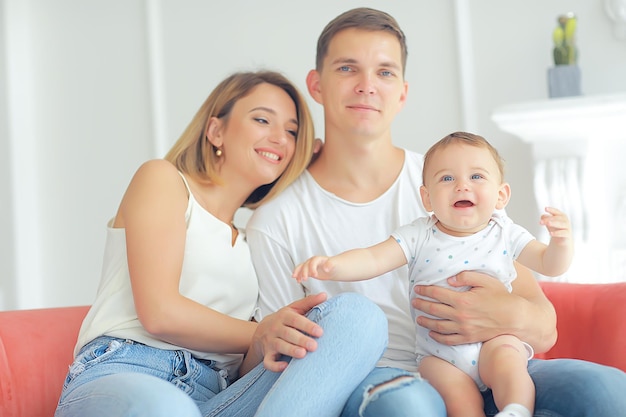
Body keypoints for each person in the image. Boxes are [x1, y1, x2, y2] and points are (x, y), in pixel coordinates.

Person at [246, 7, 626, 417]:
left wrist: (497, 315)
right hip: (385, 379)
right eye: (347, 68)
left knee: (606, 391)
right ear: (316, 85)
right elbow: (274, 365)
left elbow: (545, 328)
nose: (367, 86)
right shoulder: (277, 220)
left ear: (403, 92)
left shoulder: (457, 181)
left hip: (494, 359)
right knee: (411, 406)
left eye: (385, 72)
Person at [54, 70, 388, 417]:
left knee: (357, 317)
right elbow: (159, 313)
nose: (280, 139)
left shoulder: (252, 241)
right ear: (216, 131)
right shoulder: (163, 180)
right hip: (128, 372)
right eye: (263, 119)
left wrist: (274, 340)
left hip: (217, 395)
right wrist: (261, 331)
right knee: (167, 408)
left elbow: (244, 364)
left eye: (292, 132)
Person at [293, 132, 575, 417]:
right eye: (447, 179)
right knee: (458, 402)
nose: (462, 186)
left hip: (494, 339)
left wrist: (560, 243)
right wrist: (333, 265)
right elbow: (373, 258)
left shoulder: (505, 233)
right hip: (439, 354)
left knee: (510, 368)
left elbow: (549, 264)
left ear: (501, 195)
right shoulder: (419, 234)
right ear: (427, 198)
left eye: (476, 176)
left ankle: (516, 410)